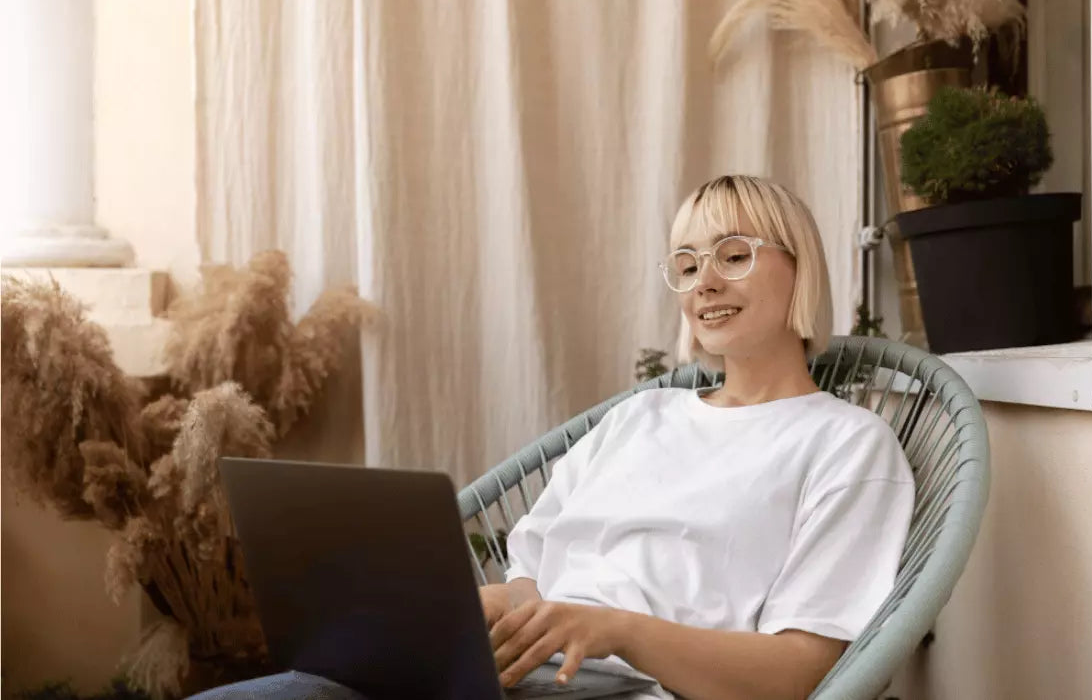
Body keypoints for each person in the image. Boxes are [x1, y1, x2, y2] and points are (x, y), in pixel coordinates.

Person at [192, 175, 914, 700]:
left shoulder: (847, 445)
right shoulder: (641, 419)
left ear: (801, 263)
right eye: (688, 265)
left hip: (622, 687)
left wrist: (616, 629)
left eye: (733, 254)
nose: (704, 284)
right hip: (511, 674)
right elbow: (531, 578)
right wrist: (459, 610)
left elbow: (800, 674)